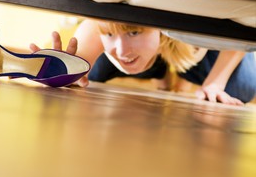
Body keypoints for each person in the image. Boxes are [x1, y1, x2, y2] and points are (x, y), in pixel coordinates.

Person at [30, 19, 256, 105]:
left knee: (242, 88)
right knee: (89, 76)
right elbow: (68, 71)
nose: (120, 50)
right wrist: (61, 72)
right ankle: (160, 72)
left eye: (134, 32)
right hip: (151, 53)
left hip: (195, 52)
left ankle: (166, 68)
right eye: (109, 35)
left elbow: (242, 26)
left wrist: (215, 83)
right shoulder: (94, 26)